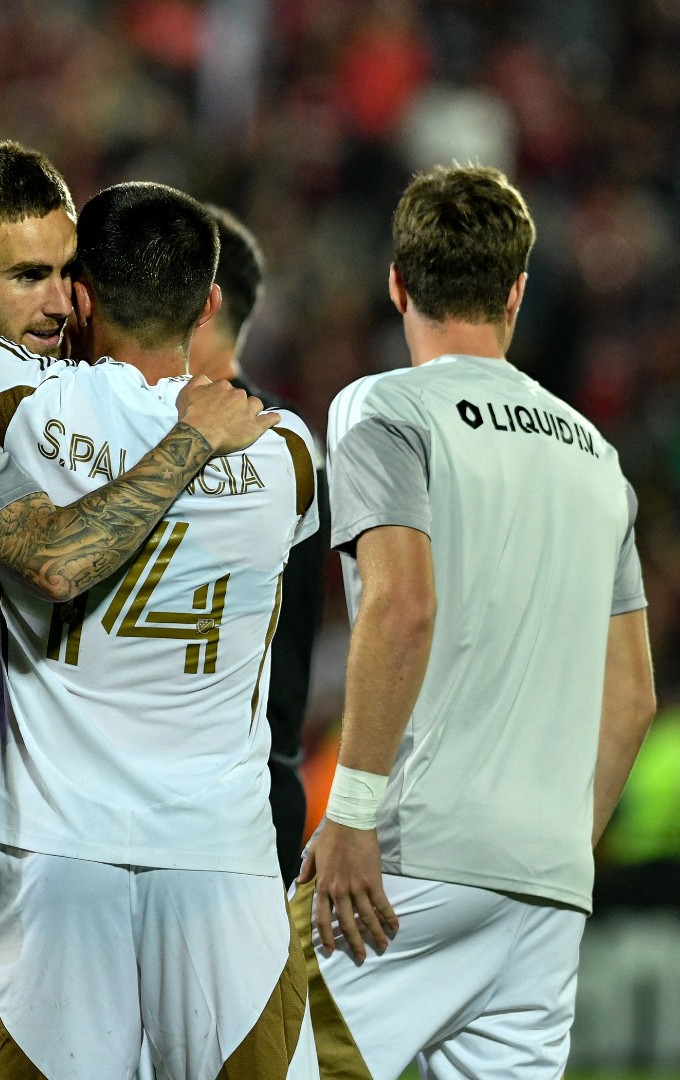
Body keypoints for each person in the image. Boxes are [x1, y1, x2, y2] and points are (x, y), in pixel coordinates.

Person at [0, 154, 320, 1079]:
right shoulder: (288, 452)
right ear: (210, 307)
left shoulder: (28, 403)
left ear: (82, 297)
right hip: (221, 856)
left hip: (49, 850)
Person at [300, 165, 656, 1079]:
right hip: (545, 885)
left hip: (411, 858)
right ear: (517, 292)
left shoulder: (387, 409)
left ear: (397, 282)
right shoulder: (597, 458)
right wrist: (555, 851)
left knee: (254, 1057)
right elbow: (633, 697)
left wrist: (350, 812)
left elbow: (402, 606)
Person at [189, 205, 330, 883]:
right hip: (263, 789)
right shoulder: (297, 446)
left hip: (215, 795)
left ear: (201, 303)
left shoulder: (271, 449)